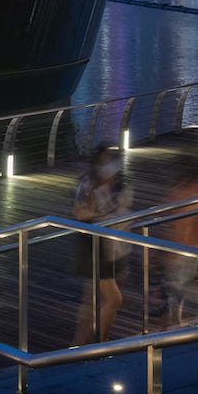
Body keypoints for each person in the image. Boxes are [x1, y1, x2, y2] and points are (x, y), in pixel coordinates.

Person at [72, 146, 132, 345]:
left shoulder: (118, 183)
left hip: (113, 248)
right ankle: (100, 344)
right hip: (94, 247)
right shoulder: (88, 184)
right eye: (106, 161)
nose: (110, 166)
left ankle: (80, 347)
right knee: (113, 299)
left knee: (93, 303)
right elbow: (80, 213)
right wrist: (103, 217)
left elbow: (122, 210)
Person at [157, 171, 198, 327]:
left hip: (182, 249)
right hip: (192, 247)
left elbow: (181, 226)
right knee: (177, 287)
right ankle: (176, 323)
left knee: (179, 287)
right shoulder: (197, 192)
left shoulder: (184, 194)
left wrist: (168, 252)